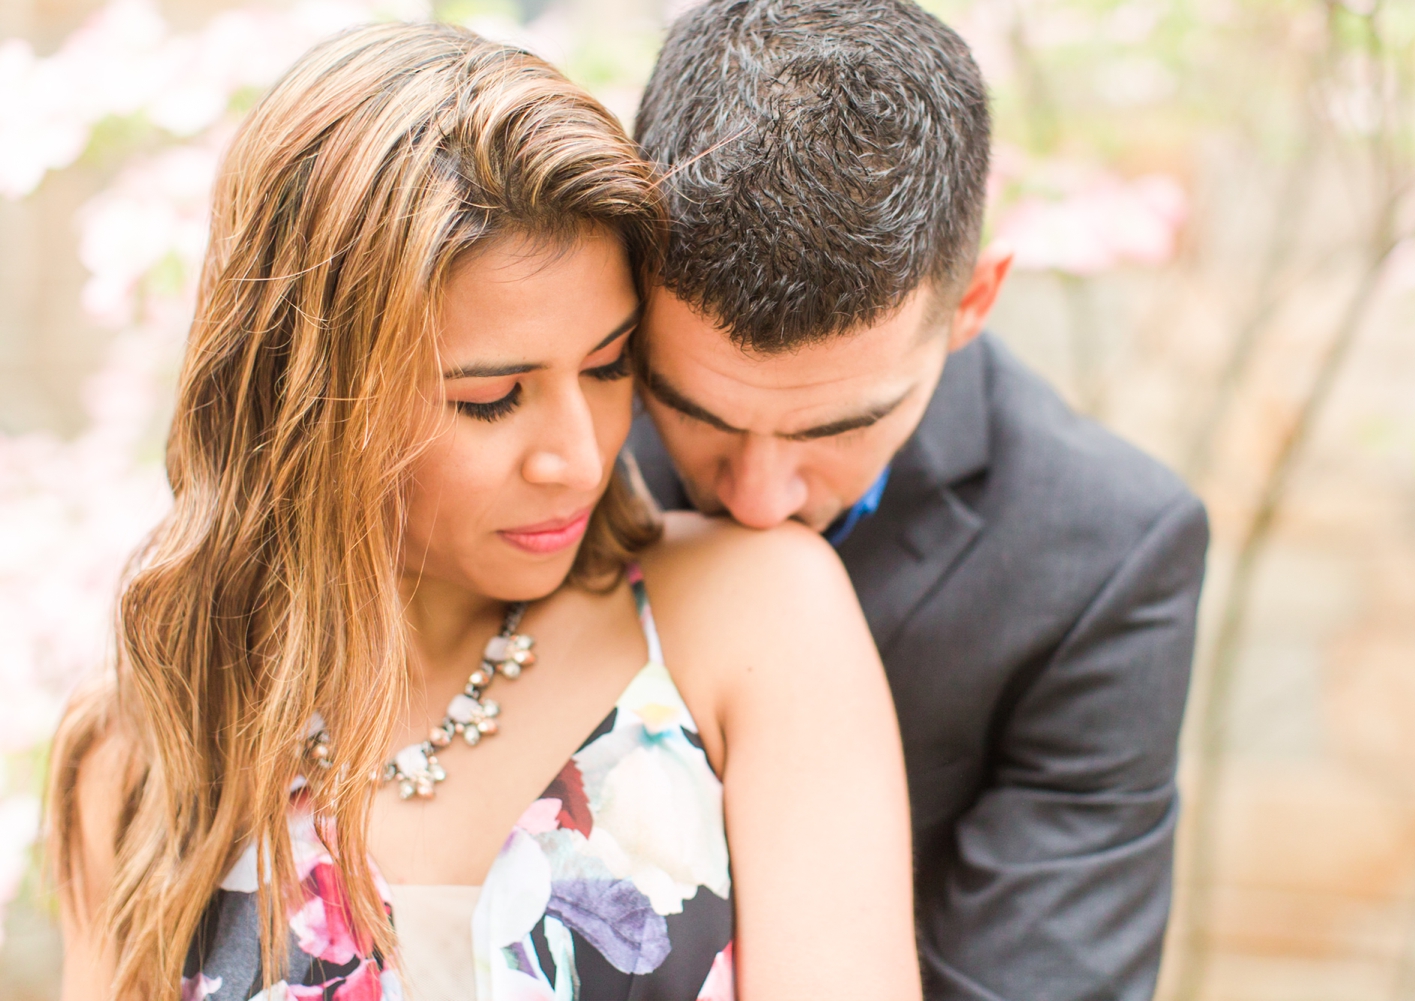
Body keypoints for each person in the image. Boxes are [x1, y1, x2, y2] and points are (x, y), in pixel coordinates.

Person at [46, 23, 921, 1001]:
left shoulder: (749, 615)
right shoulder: (149, 744)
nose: (579, 458)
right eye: (488, 397)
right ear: (307, 396)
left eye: (607, 366)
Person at [626, 2, 1211, 999]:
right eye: (696, 412)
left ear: (973, 303)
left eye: (836, 427)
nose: (759, 501)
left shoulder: (1106, 550)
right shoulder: (541, 439)